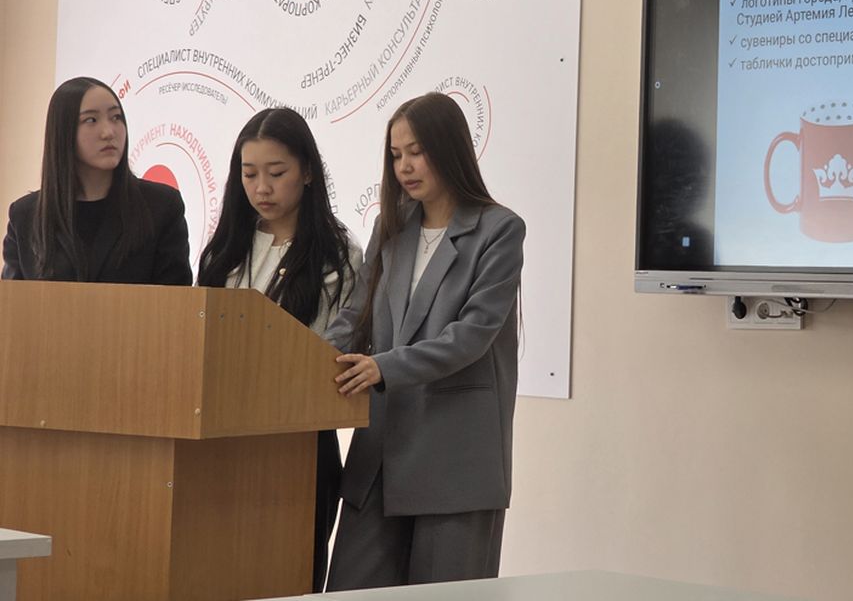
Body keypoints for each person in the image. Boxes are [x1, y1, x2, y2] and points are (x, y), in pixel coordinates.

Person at [324, 91, 525, 590]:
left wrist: (384, 367)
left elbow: (471, 335)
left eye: (416, 152)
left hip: (454, 460)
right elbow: (355, 316)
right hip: (379, 456)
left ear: (449, 149)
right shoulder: (390, 227)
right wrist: (313, 358)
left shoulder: (499, 230)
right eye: (396, 155)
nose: (405, 167)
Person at [195, 107, 361, 592]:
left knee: (291, 576)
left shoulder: (338, 254)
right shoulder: (225, 249)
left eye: (276, 173)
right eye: (249, 174)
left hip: (299, 443)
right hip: (223, 440)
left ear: (307, 172)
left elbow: (329, 349)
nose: (261, 188)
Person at [2, 76, 191, 284]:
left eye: (116, 117)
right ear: (63, 132)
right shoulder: (25, 216)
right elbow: (13, 301)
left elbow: (177, 298)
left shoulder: (161, 206)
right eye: (91, 120)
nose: (108, 132)